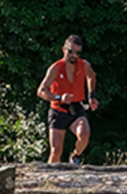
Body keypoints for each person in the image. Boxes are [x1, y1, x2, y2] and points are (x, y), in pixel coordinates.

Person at [37, 35, 100, 164]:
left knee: (84, 133)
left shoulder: (84, 65)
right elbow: (41, 91)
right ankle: (50, 179)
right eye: (70, 51)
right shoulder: (55, 68)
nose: (74, 55)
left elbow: (91, 76)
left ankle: (75, 156)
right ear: (63, 50)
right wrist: (59, 97)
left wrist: (91, 96)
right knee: (56, 151)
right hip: (58, 110)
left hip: (76, 107)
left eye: (77, 52)